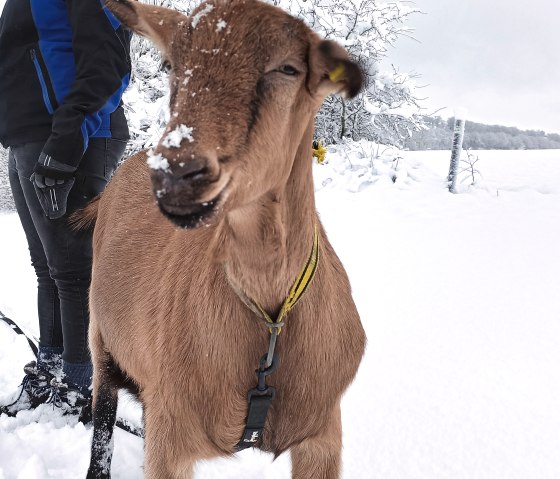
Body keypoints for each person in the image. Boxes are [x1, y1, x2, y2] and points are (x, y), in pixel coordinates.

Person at [0, 0, 131, 420]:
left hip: (70, 135)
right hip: (26, 136)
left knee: (74, 271)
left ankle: (81, 387)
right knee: (48, 268)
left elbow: (110, 63)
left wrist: (67, 140)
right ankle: (52, 370)